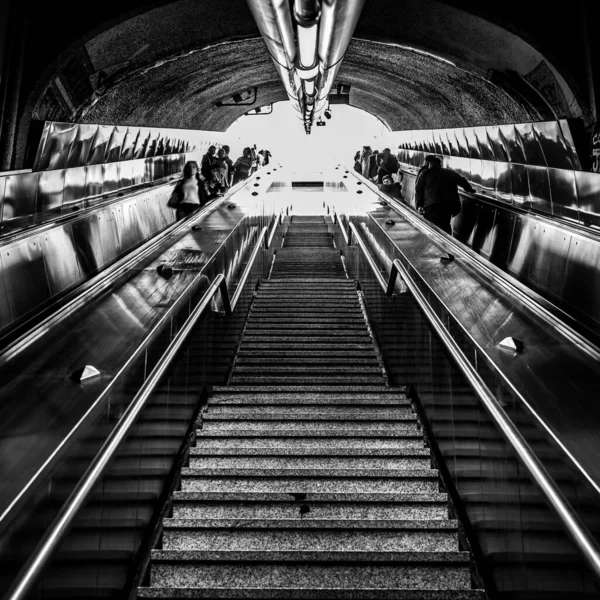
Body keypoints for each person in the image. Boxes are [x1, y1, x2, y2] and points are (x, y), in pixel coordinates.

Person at [415, 155, 475, 234]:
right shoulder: (449, 172)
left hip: (430, 206)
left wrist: (419, 205)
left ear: (430, 164)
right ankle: (446, 244)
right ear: (440, 165)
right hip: (446, 207)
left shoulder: (425, 173)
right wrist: (470, 189)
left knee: (429, 228)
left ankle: (432, 244)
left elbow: (418, 189)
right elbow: (462, 180)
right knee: (445, 226)